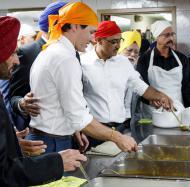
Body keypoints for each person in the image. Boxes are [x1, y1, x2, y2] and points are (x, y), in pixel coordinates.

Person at [28, 2, 139, 153]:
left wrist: (75, 129)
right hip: (52, 143)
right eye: (91, 31)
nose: (93, 38)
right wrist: (119, 137)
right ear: (74, 26)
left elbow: (60, 105)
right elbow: (79, 116)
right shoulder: (65, 58)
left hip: (49, 138)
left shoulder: (53, 51)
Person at [0, 15, 87, 187]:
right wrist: (57, 162)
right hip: (44, 140)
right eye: (11, 53)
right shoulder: (43, 54)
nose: (17, 60)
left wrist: (12, 142)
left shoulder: (70, 55)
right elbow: (3, 173)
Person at [81, 21, 172, 147]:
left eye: (120, 40)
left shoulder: (123, 63)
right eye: (113, 42)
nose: (118, 45)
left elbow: (140, 86)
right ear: (99, 40)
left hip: (119, 129)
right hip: (94, 132)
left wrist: (160, 96)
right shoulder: (82, 63)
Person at [9, 1, 68, 131]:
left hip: (70, 130)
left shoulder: (73, 53)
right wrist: (22, 104)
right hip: (39, 134)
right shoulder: (27, 53)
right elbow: (13, 97)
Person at [136, 20, 189, 118]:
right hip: (154, 112)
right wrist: (151, 100)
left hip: (178, 110)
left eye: (172, 34)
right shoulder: (145, 59)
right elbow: (141, 86)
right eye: (166, 35)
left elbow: (187, 87)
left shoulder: (182, 58)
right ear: (157, 37)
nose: (171, 38)